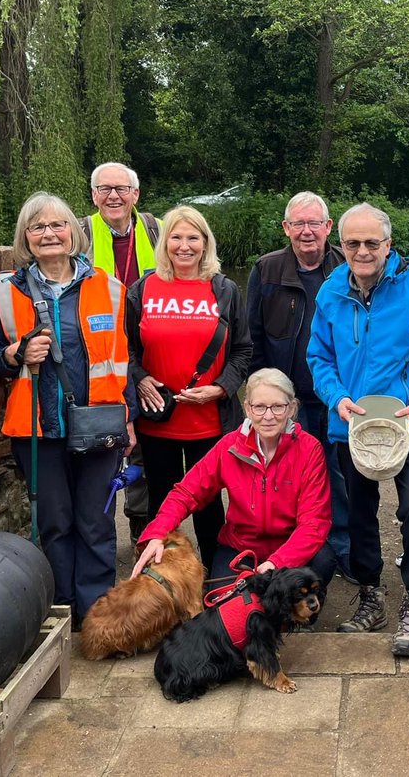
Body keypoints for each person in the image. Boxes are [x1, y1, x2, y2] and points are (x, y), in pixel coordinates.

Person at [307, 203, 409, 657]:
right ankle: (371, 594)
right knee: (357, 513)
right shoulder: (331, 291)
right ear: (342, 245)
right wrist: (337, 398)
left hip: (408, 421)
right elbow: (319, 358)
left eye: (373, 242)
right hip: (351, 424)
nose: (363, 251)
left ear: (388, 245)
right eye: (353, 243)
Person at [0, 192, 136, 625]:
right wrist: (17, 353)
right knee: (55, 524)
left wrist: (129, 421)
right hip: (37, 428)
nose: (49, 234)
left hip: (99, 424)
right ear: (25, 237)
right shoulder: (5, 290)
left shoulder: (108, 287)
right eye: (38, 227)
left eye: (57, 225)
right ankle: (60, 615)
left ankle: (98, 618)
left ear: (73, 232)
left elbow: (123, 359)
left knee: (96, 524)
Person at [125, 205, 252, 573]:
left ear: (205, 243)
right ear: (165, 243)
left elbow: (243, 349)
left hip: (209, 422)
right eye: (177, 237)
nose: (184, 246)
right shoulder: (142, 289)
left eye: (193, 237)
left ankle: (214, 582)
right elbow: (126, 349)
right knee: (162, 504)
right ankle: (163, 581)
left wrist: (221, 388)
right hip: (158, 421)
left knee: (210, 506)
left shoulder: (224, 290)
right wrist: (140, 377)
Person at [132, 368, 335, 590]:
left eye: (278, 406)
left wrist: (276, 563)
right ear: (247, 408)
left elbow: (314, 524)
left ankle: (296, 612)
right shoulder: (229, 446)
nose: (268, 416)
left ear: (291, 408)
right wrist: (158, 532)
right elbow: (186, 492)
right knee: (223, 604)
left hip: (289, 547)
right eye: (259, 407)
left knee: (323, 561)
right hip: (241, 547)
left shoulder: (309, 449)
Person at [246, 192, 351, 579]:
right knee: (290, 479)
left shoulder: (347, 267)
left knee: (340, 476)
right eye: (298, 224)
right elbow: (253, 336)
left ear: (328, 227)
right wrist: (261, 395)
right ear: (286, 228)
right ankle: (295, 553)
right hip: (287, 401)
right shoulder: (267, 269)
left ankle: (341, 551)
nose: (307, 232)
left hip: (338, 396)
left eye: (315, 224)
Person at [80, 162, 160, 540]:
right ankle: (97, 533)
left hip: (147, 351)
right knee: (102, 442)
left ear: (136, 194)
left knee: (143, 445)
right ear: (94, 195)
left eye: (122, 188)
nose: (114, 195)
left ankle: (141, 526)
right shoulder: (79, 233)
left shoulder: (156, 230)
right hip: (98, 356)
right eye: (105, 188)